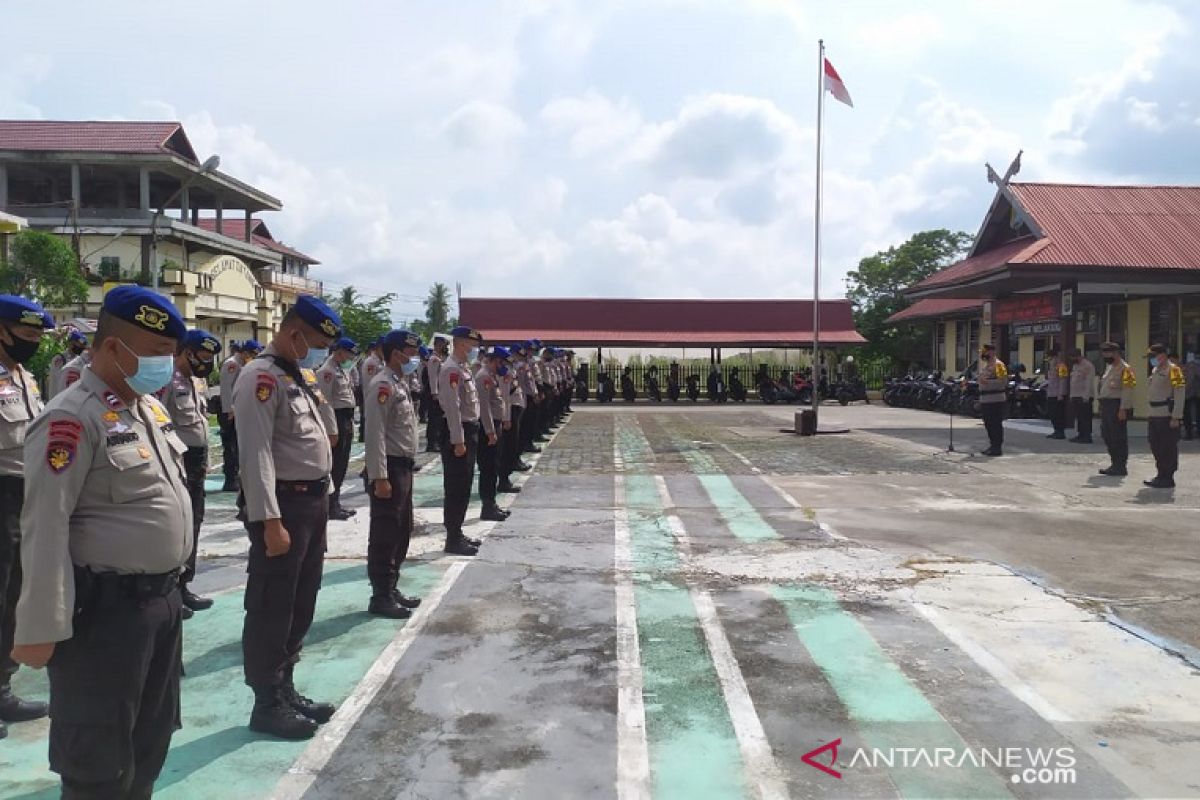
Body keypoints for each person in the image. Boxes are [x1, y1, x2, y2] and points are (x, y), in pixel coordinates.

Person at [13, 285, 192, 799]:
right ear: (113, 348)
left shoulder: (145, 412)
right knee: (98, 762)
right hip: (104, 617)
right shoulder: (70, 418)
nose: (166, 364)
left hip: (160, 605)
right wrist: (40, 627)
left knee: (149, 743)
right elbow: (45, 525)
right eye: (156, 353)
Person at [233, 295, 341, 740]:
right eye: (316, 342)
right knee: (272, 605)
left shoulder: (300, 375)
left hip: (311, 503)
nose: (320, 351)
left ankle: (287, 685)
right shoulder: (259, 377)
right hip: (283, 506)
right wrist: (268, 521)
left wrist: (328, 494)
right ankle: (266, 702)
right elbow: (255, 455)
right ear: (295, 334)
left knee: (301, 599)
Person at [0, 296, 52, 741]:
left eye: (38, 336)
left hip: (24, 495)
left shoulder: (25, 377)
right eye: (28, 335)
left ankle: (2, 686)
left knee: (13, 592)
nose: (33, 344)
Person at [158, 329, 222, 616]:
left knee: (194, 523)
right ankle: (169, 591)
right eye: (202, 357)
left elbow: (199, 424)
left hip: (196, 459)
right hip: (176, 460)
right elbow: (160, 425)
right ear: (185, 352)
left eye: (210, 359)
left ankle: (184, 585)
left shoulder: (197, 381)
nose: (205, 363)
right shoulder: (164, 380)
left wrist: (205, 459)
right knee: (176, 525)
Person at [363, 330, 424, 618]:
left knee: (402, 529)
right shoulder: (382, 385)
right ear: (397, 353)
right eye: (410, 352)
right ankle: (380, 595)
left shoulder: (400, 382)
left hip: (403, 465)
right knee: (385, 533)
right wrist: (379, 476)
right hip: (389, 467)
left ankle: (392, 586)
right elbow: (374, 434)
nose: (414, 357)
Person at [438, 326, 484, 556]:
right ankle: (452, 538)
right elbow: (452, 408)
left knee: (464, 486)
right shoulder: (450, 369)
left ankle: (457, 532)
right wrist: (458, 440)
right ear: (459, 343)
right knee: (456, 487)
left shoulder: (463, 368)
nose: (474, 349)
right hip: (459, 432)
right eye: (471, 344)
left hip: (468, 430)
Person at [317, 337, 359, 521]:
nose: (350, 357)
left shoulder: (340, 369)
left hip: (346, 419)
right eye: (349, 354)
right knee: (335, 465)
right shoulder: (327, 371)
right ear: (339, 351)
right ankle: (330, 505)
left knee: (342, 465)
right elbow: (325, 402)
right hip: (337, 419)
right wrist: (332, 429)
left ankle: (336, 503)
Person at [218, 339, 262, 493]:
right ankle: (230, 480)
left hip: (240, 410)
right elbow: (226, 388)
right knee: (230, 447)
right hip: (230, 413)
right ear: (244, 353)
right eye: (252, 354)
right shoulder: (232, 364)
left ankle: (237, 477)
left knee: (239, 445)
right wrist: (230, 409)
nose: (254, 358)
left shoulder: (244, 364)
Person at [475, 347, 512, 523]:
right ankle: (487, 506)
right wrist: (490, 431)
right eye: (501, 362)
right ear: (494, 360)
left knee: (493, 466)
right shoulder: (483, 377)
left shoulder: (491, 377)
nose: (502, 366)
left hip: (494, 425)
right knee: (488, 468)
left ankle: (491, 504)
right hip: (487, 428)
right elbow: (484, 407)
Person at [1144, 343, 1185, 488]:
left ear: (1162, 355)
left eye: (1153, 356)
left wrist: (1176, 416)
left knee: (1167, 447)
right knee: (1155, 445)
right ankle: (1160, 474)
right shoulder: (1156, 370)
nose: (1151, 360)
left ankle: (1168, 477)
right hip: (1154, 414)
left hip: (1166, 415)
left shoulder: (1174, 370)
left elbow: (1179, 393)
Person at [1096, 341, 1136, 477]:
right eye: (1104, 353)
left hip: (1117, 405)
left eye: (1107, 353)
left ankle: (1120, 466)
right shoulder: (1109, 367)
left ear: (1116, 353)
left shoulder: (1126, 369)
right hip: (1107, 405)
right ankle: (1114, 464)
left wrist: (1123, 408)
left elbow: (1128, 389)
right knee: (1107, 435)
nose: (1105, 355)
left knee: (1118, 436)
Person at [500, 345, 530, 491]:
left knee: (512, 444)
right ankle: (503, 480)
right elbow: (505, 396)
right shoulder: (504, 372)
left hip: (515, 407)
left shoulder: (511, 369)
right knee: (507, 446)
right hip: (509, 410)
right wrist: (506, 417)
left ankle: (506, 476)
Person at [977, 343, 1008, 456]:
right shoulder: (987, 366)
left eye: (985, 352)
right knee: (988, 424)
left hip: (995, 399)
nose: (983, 354)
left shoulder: (999, 365)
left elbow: (1003, 382)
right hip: (985, 399)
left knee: (995, 424)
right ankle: (992, 445)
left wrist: (987, 383)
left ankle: (997, 447)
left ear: (992, 352)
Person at [47, 328, 88, 399]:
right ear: (71, 343)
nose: (82, 347)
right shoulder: (59, 359)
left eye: (83, 345)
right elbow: (57, 381)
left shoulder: (79, 360)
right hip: (58, 398)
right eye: (79, 344)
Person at [425, 334, 448, 453]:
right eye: (443, 345)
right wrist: (435, 393)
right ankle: (432, 443)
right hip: (435, 393)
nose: (445, 347)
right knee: (434, 419)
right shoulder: (434, 359)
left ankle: (436, 441)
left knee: (438, 419)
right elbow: (433, 377)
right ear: (438, 345)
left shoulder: (440, 358)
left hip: (440, 391)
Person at [1068, 348, 1096, 444]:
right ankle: (1081, 435)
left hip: (1084, 396)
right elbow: (1073, 382)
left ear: (1078, 356)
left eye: (1073, 357)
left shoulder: (1087, 365)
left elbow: (1089, 382)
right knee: (1079, 417)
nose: (1072, 359)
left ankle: (1087, 436)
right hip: (1076, 395)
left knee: (1085, 417)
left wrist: (1086, 396)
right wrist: (1072, 395)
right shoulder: (1075, 366)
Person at [1044, 348, 1069, 439]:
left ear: (1054, 357)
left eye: (1050, 358)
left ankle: (1060, 432)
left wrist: (1061, 394)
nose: (1049, 360)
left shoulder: (1061, 366)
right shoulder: (1051, 366)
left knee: (1058, 414)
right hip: (1051, 393)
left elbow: (1063, 380)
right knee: (1052, 414)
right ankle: (1056, 431)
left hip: (1058, 395)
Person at [1185, 355, 1200, 441]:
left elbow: (1190, 379)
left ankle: (1190, 433)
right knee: (1192, 414)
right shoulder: (1191, 365)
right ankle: (1192, 433)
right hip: (1193, 393)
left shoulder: (1191, 366)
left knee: (1188, 414)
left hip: (1189, 393)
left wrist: (1185, 389)